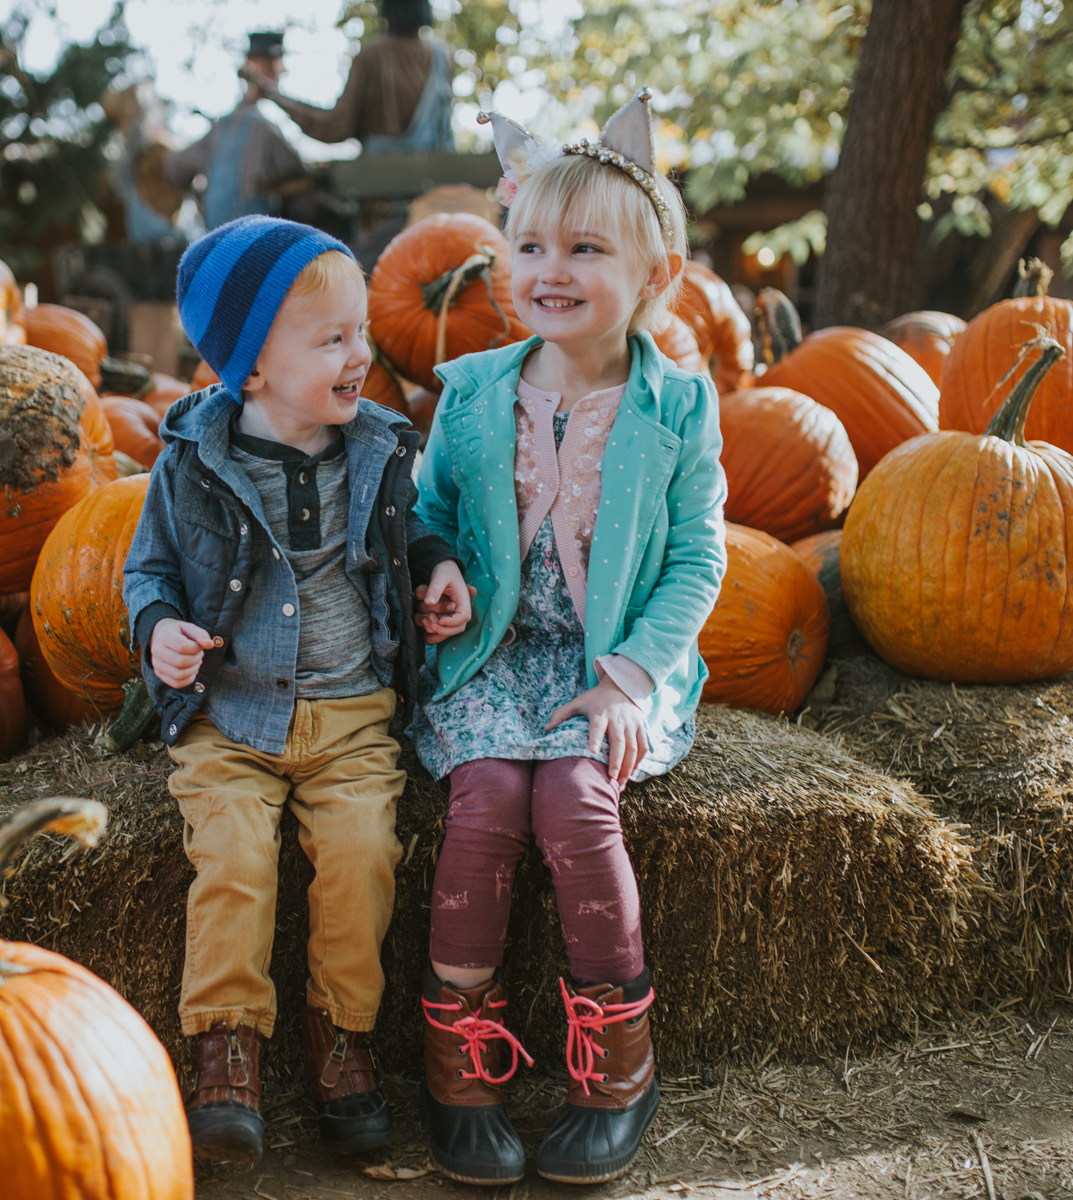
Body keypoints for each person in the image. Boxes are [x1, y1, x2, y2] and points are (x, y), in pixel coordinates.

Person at [407, 90, 729, 1186]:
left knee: (576, 801)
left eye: (586, 248)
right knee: (489, 799)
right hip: (494, 657)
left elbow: (698, 560)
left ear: (654, 277)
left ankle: (615, 1063)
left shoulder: (678, 406)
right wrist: (439, 571)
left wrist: (632, 679)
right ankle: (461, 1057)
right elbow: (429, 514)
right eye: (531, 244)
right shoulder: (470, 394)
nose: (551, 267)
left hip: (611, 667)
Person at [122, 214, 474, 1164]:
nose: (361, 354)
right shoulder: (191, 462)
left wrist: (434, 569)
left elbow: (407, 534)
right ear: (249, 370)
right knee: (235, 857)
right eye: (333, 340)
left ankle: (342, 1038)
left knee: (362, 855)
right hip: (231, 717)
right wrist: (160, 633)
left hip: (354, 712)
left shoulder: (378, 446)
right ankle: (226, 1048)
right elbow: (148, 573)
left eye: (362, 331)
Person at [242, 0, 454, 155]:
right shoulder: (442, 56)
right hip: (438, 194)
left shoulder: (372, 57)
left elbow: (334, 127)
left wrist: (272, 93)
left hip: (381, 197)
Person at [164, 32, 306, 231]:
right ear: (262, 66)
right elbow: (301, 186)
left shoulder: (218, 130)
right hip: (255, 247)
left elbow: (174, 167)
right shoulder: (266, 131)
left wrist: (201, 198)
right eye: (277, 63)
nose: (283, 71)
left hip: (217, 245)